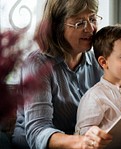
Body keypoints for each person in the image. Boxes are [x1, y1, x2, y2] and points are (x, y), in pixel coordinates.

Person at [12, 0, 112, 149]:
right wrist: (81, 141)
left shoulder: (99, 61)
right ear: (57, 27)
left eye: (92, 19)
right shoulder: (37, 64)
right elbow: (38, 131)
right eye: (79, 23)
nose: (90, 28)